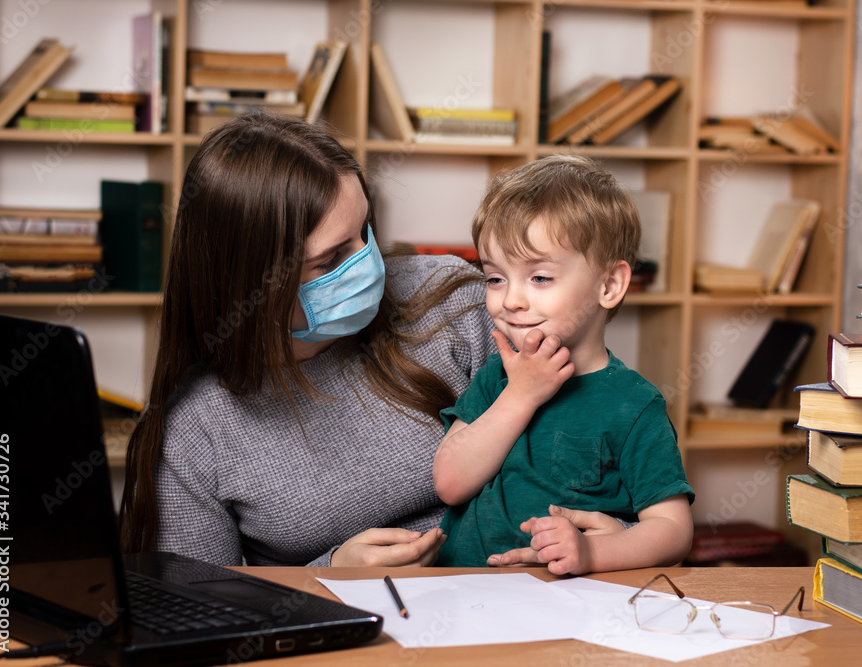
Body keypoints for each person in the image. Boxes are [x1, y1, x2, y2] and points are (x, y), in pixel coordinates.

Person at [119, 114, 620, 567]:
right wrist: (331, 575)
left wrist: (616, 536)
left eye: (365, 231)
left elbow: (603, 445)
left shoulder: (458, 302)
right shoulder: (193, 430)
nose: (368, 264)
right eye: (332, 259)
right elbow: (200, 614)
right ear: (249, 283)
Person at [432, 154, 695, 575]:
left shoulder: (634, 404)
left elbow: (673, 530)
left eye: (539, 278)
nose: (511, 300)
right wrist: (520, 395)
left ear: (609, 285)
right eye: (495, 278)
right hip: (464, 594)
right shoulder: (497, 376)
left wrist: (593, 554)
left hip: (567, 606)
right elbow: (450, 483)